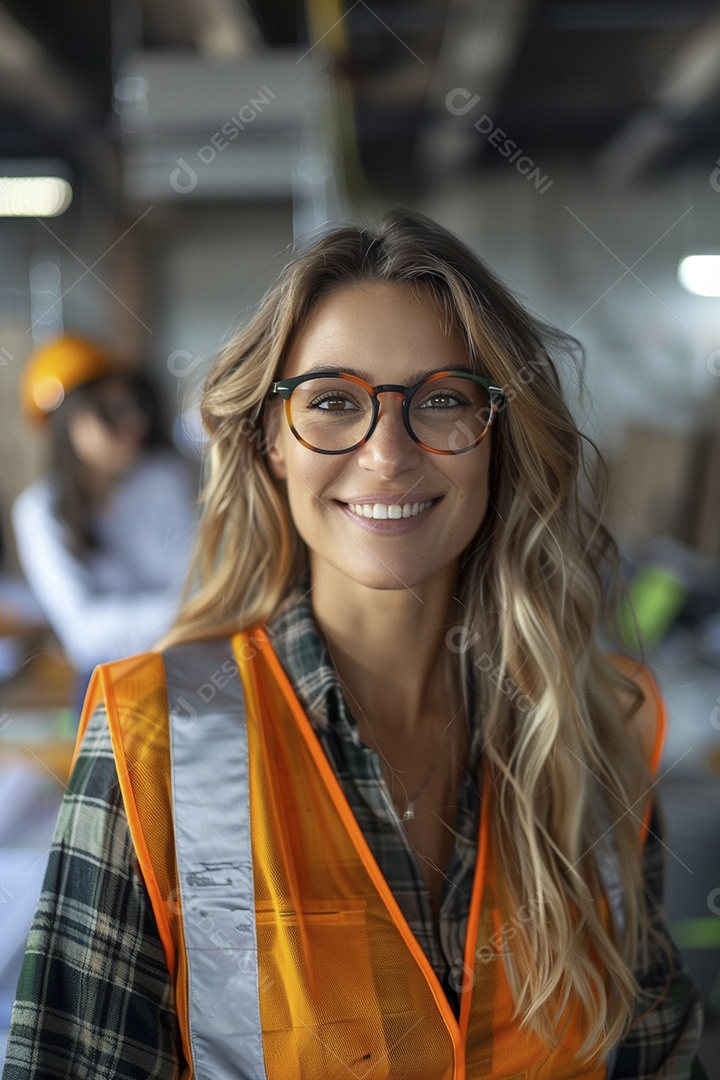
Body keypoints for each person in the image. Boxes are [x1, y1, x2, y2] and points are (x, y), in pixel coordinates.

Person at [2, 211, 706, 1079]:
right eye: (333, 402)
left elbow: (655, 1055)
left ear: (499, 437)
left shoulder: (595, 727)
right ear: (269, 441)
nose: (386, 455)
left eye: (442, 400)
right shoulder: (160, 737)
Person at [11, 336, 198, 688]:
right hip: (107, 682)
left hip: (184, 668)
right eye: (110, 412)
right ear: (66, 424)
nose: (134, 423)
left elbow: (197, 581)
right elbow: (83, 634)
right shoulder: (40, 512)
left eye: (132, 407)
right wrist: (191, 611)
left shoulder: (163, 478)